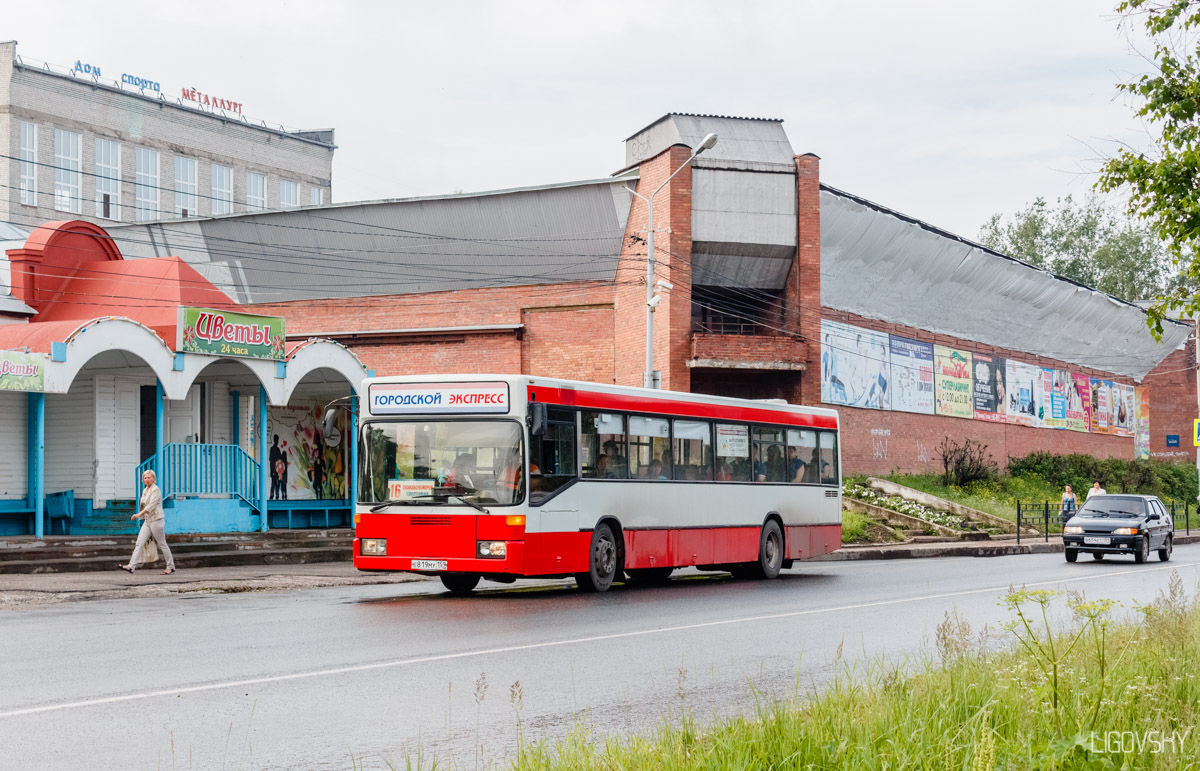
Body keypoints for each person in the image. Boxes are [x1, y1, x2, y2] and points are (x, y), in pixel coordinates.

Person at [119, 470, 176, 575]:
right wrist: (142, 515)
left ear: (154, 479)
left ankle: (170, 567)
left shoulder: (156, 490)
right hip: (147, 520)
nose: (147, 479)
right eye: (145, 478)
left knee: (162, 544)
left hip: (156, 521)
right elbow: (144, 504)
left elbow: (151, 506)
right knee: (139, 543)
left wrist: (138, 515)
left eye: (149, 477)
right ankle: (131, 566)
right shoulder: (145, 490)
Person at [269, 435, 288, 500]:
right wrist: (271, 471)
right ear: (275, 440)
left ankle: (276, 496)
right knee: (274, 483)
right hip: (274, 469)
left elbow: (280, 459)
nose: (277, 441)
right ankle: (272, 496)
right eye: (276, 439)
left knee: (276, 484)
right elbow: (271, 460)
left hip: (277, 469)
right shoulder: (273, 449)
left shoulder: (277, 449)